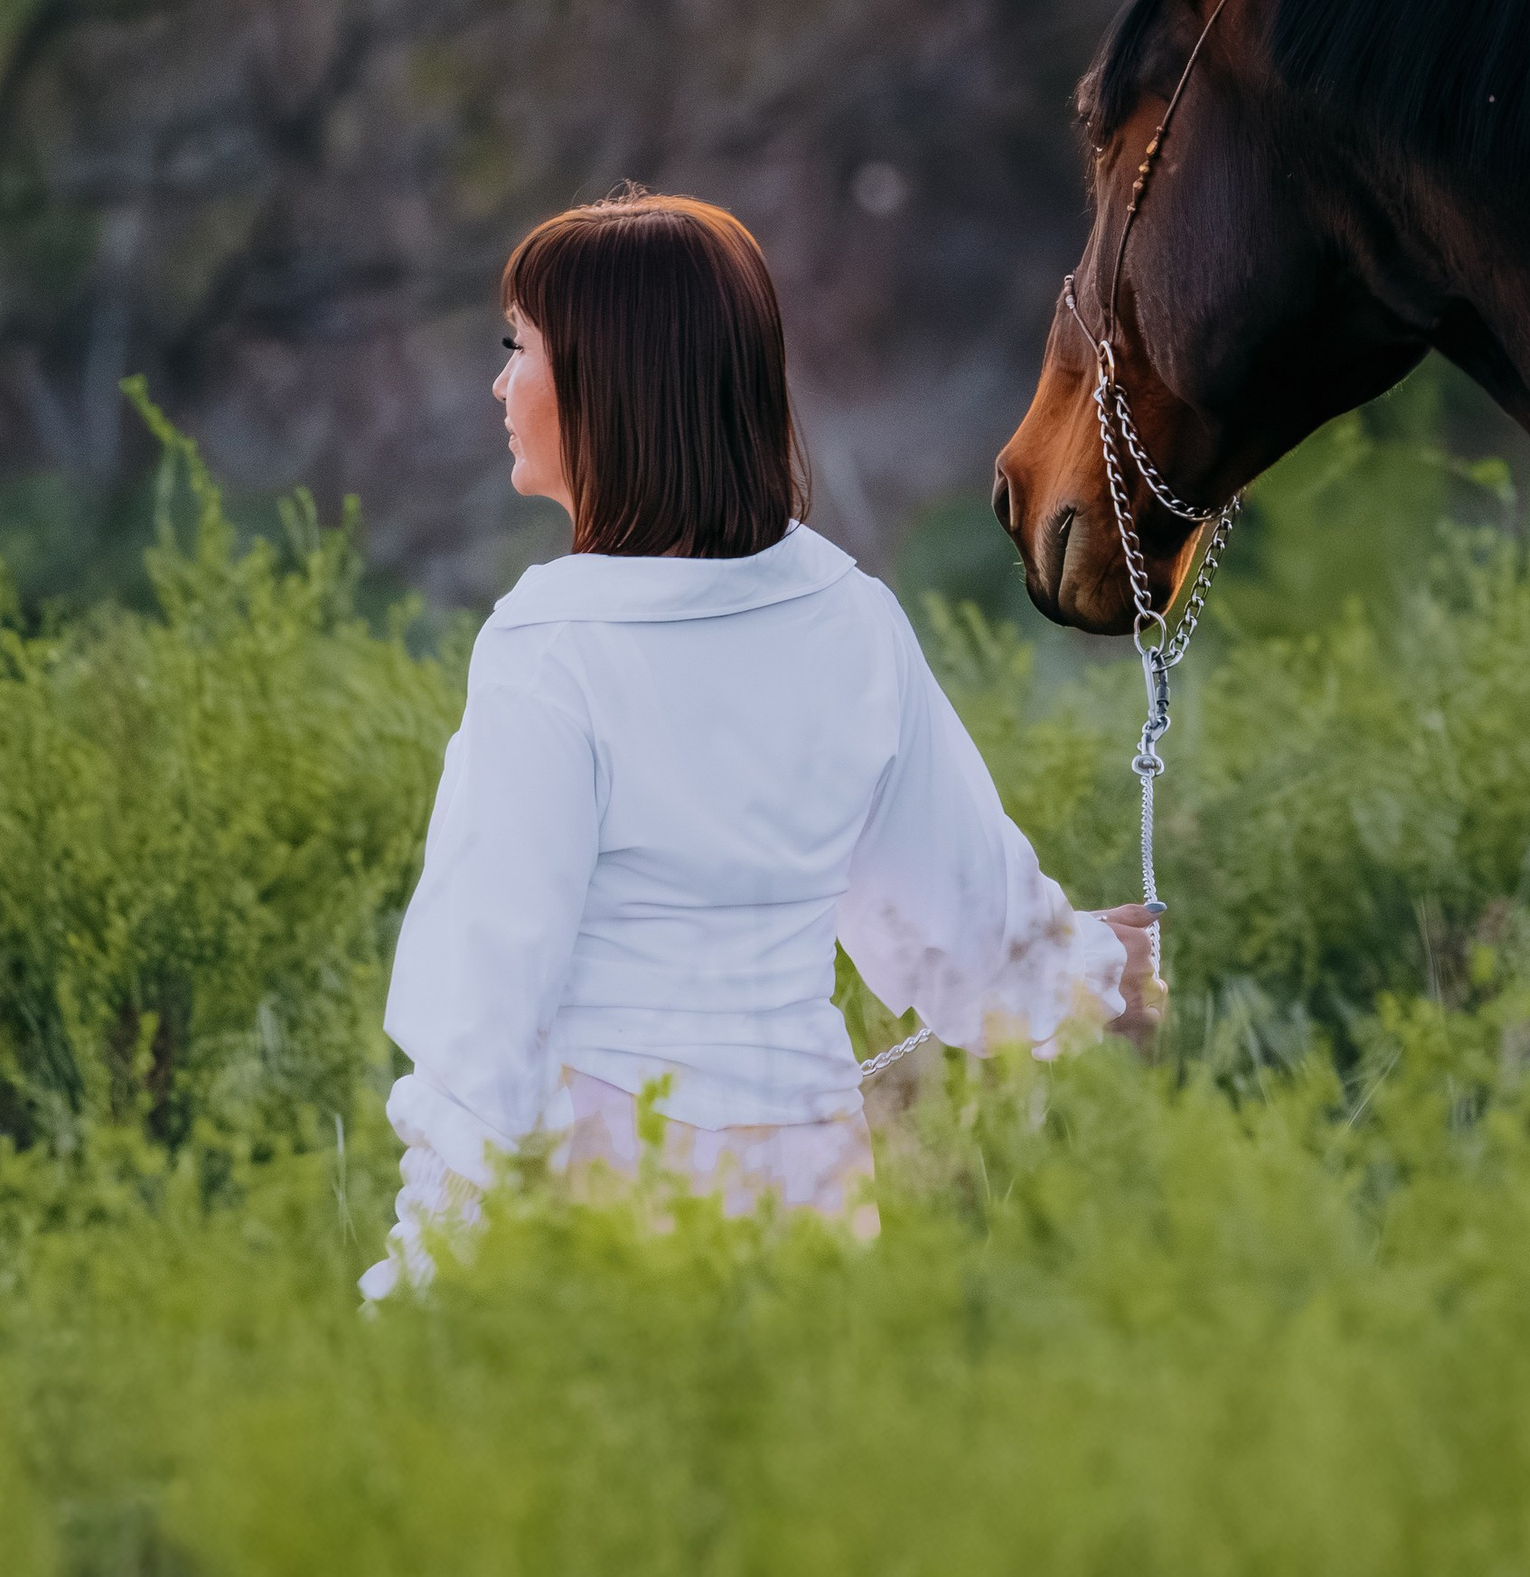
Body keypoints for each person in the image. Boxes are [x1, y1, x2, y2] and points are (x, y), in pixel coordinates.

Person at [359, 189, 1158, 1298]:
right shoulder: (849, 616)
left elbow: (484, 1018)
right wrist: (1095, 970)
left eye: (519, 347)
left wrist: (418, 1279)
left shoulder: (550, 649)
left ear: (610, 378)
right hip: (808, 1217)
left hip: (598, 1238)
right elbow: (969, 939)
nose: (501, 384)